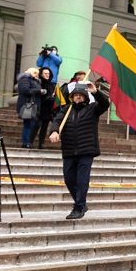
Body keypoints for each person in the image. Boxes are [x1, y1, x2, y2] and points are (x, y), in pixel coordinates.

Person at [48, 81, 109, 220]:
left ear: (85, 97)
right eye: (75, 95)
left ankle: (79, 206)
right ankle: (81, 202)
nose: (78, 97)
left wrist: (96, 92)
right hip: (69, 149)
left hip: (86, 150)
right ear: (72, 97)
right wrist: (54, 131)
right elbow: (57, 121)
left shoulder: (93, 108)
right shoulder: (66, 109)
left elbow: (105, 104)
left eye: (80, 95)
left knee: (82, 180)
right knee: (69, 179)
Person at [16, 67, 43, 149]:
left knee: (31, 124)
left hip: (33, 105)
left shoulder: (34, 81)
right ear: (30, 72)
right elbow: (25, 90)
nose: (37, 75)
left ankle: (27, 141)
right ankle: (26, 142)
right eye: (35, 73)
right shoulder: (24, 79)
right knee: (28, 124)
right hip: (27, 105)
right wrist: (39, 91)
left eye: (38, 73)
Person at [35, 67, 57, 149]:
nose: (47, 75)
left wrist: (53, 99)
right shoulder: (39, 83)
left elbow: (53, 95)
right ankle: (29, 141)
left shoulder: (52, 85)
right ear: (41, 74)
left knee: (44, 128)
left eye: (48, 73)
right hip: (40, 108)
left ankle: (42, 143)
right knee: (36, 126)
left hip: (48, 109)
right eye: (45, 73)